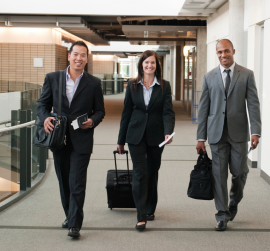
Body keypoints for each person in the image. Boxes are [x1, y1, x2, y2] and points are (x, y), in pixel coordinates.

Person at [37, 41, 105, 238]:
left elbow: (100, 110)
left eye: (83, 55)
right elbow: (42, 105)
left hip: (82, 140)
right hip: (59, 139)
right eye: (76, 54)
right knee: (64, 181)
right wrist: (45, 118)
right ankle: (70, 215)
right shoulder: (53, 78)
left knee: (77, 182)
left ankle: (74, 224)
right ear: (69, 56)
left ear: (86, 58)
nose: (79, 58)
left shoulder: (94, 83)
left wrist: (92, 121)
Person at [196, 39, 261, 231]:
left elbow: (253, 104)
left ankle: (233, 203)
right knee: (218, 174)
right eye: (219, 52)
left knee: (240, 173)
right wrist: (201, 137)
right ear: (216, 54)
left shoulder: (247, 74)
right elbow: (203, 109)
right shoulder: (209, 77)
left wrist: (256, 131)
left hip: (239, 133)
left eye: (226, 51)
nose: (223, 55)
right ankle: (222, 215)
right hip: (216, 134)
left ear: (233, 50)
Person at [117, 50, 175, 231]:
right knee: (140, 173)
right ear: (141, 64)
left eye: (152, 63)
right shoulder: (132, 85)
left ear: (157, 65)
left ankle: (150, 207)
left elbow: (168, 112)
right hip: (135, 135)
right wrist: (121, 140)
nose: (149, 66)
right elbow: (126, 113)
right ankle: (141, 215)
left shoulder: (164, 86)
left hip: (157, 136)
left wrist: (168, 132)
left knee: (152, 172)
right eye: (146, 62)